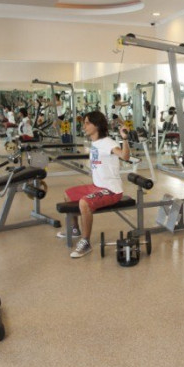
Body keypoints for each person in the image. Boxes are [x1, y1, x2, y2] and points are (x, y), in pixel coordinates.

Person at [61, 111, 130, 258]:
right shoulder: (95, 143)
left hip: (112, 190)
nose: (84, 126)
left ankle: (86, 242)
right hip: (97, 186)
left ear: (97, 125)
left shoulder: (108, 142)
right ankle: (75, 229)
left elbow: (124, 156)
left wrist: (125, 138)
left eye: (87, 123)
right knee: (68, 194)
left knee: (84, 203)